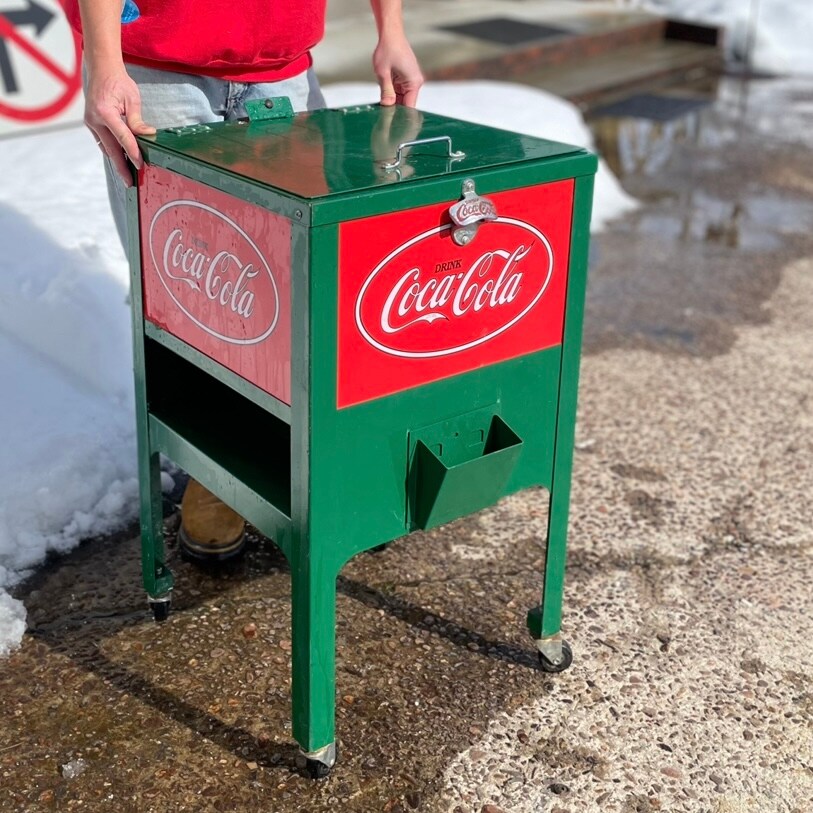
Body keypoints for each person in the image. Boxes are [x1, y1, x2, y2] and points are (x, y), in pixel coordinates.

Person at [66, 0, 424, 561]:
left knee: (307, 286)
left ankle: (312, 464)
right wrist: (103, 60)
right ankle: (215, 471)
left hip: (285, 64)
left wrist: (393, 29)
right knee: (185, 295)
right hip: (155, 64)